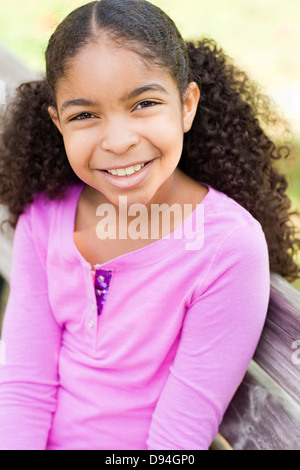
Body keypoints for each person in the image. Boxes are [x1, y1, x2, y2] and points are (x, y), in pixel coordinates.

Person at [0, 0, 299, 451]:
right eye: (85, 115)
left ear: (186, 105)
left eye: (143, 104)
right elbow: (24, 386)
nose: (118, 141)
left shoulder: (225, 247)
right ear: (58, 123)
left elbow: (178, 439)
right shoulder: (44, 218)